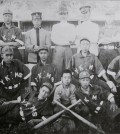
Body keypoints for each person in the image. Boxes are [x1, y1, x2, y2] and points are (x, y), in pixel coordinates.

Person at [51, 1, 76, 81]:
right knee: (57, 68)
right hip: (58, 49)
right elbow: (54, 39)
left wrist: (62, 39)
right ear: (59, 15)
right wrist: (65, 39)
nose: (63, 16)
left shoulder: (71, 26)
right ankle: (58, 85)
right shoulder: (55, 26)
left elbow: (72, 39)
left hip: (68, 49)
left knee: (68, 67)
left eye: (65, 14)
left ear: (67, 15)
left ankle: (68, 85)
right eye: (61, 14)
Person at [53, 69, 77, 134]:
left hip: (70, 105)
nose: (67, 79)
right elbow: (56, 101)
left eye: (69, 78)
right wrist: (63, 108)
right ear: (61, 78)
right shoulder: (58, 88)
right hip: (60, 105)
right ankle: (61, 119)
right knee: (56, 109)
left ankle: (70, 119)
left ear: (71, 79)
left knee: (76, 109)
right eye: (65, 77)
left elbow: (73, 99)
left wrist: (74, 104)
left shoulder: (73, 87)